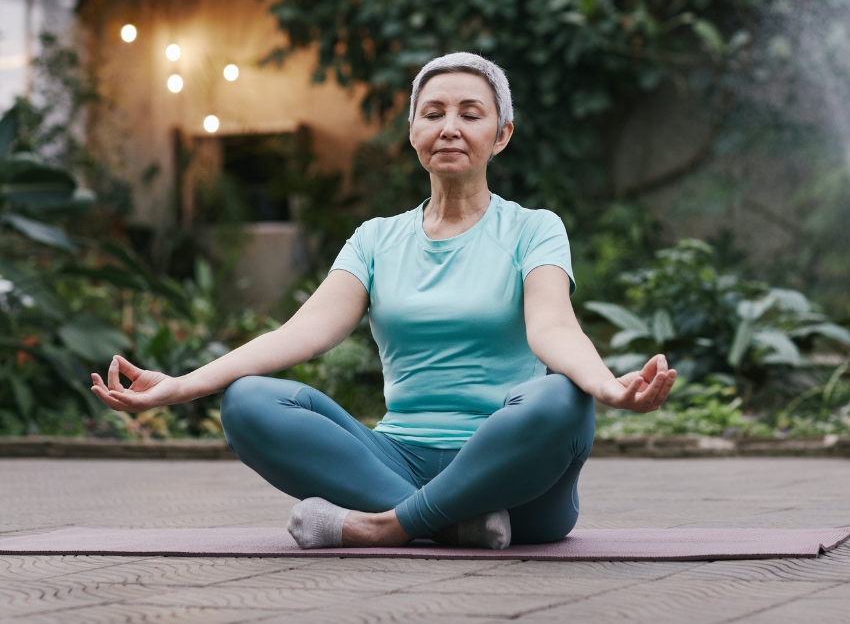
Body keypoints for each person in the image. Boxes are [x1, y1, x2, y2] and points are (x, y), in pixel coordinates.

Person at [92, 53, 677, 550]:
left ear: (501, 135)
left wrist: (606, 386)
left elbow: (552, 328)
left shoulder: (534, 229)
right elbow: (301, 334)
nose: (450, 127)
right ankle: (452, 524)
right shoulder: (375, 239)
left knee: (562, 399)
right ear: (413, 132)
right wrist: (182, 385)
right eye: (434, 113)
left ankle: (380, 528)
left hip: (516, 481)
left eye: (471, 115)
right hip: (393, 460)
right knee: (247, 402)